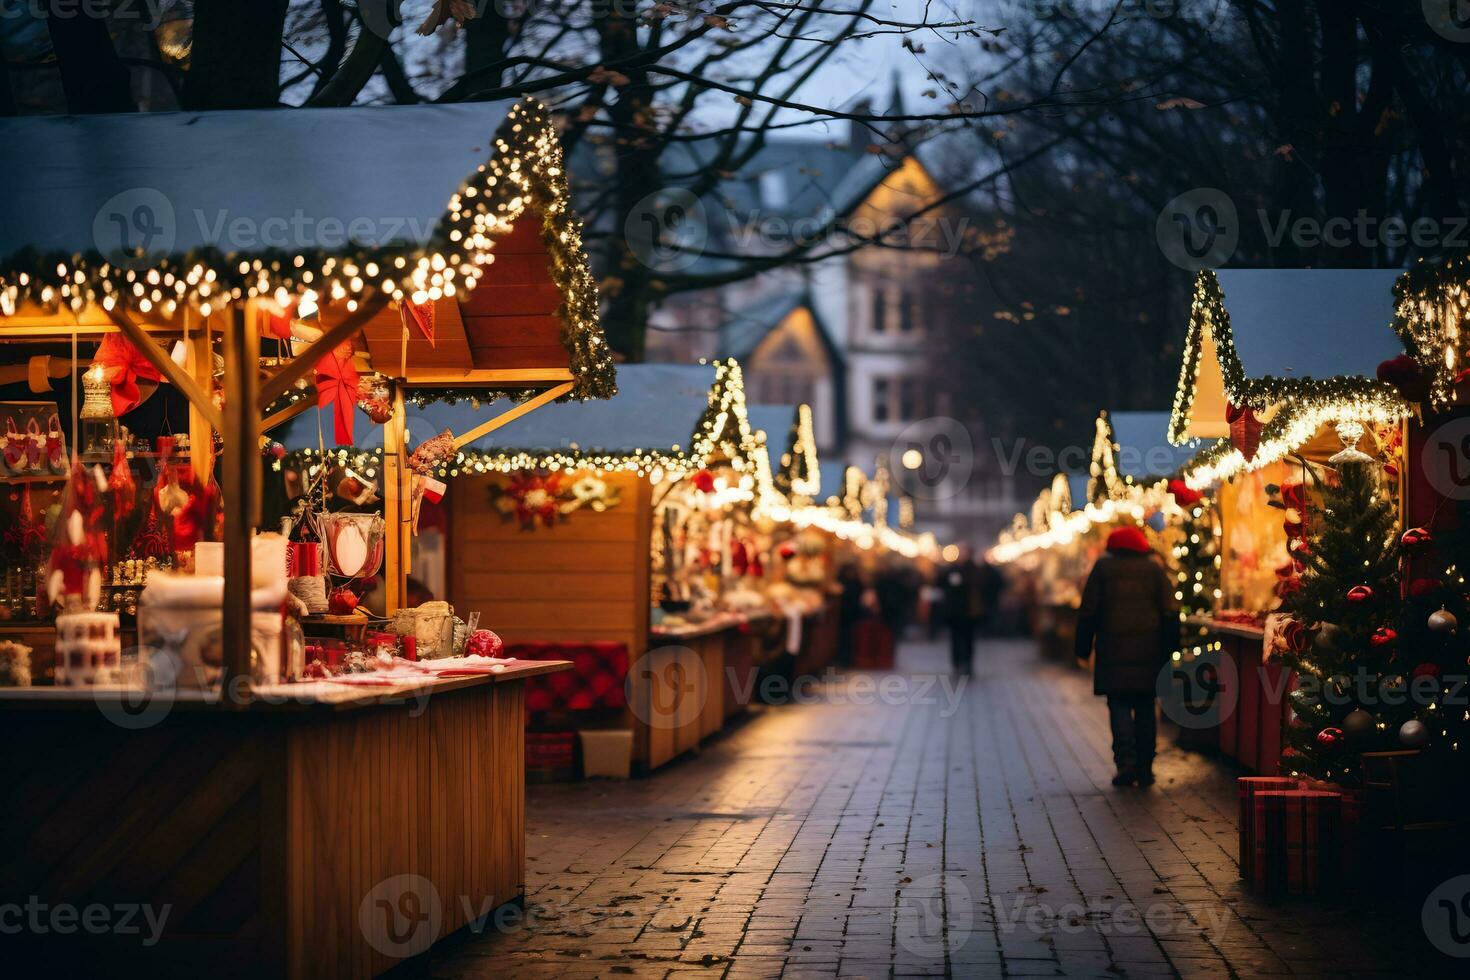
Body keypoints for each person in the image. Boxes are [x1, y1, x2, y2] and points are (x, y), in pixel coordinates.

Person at [1074, 526, 1177, 787]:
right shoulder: (1154, 570)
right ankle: (1145, 767)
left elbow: (1088, 612)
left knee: (1118, 706)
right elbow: (1170, 611)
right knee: (1145, 707)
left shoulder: (1102, 569)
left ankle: (1125, 763)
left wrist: (1082, 649)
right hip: (1149, 652)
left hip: (1112, 652)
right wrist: (1170, 649)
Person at [942, 545, 986, 674]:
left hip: (968, 611)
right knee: (956, 639)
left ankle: (967, 663)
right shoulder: (953, 569)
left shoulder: (974, 570)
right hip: (956, 612)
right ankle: (957, 663)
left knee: (968, 639)